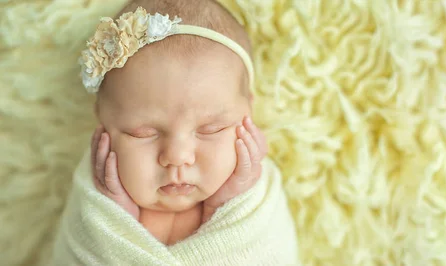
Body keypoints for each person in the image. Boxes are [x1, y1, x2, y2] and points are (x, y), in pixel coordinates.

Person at [51, 0, 300, 264]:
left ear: (247, 111)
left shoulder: (255, 204)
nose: (178, 156)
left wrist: (230, 203)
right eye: (142, 133)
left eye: (211, 129)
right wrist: (116, 215)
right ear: (102, 119)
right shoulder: (97, 203)